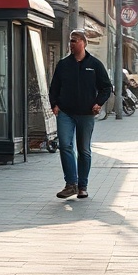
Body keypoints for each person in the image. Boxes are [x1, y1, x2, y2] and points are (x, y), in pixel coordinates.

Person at [48, 28, 112, 200]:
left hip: (86, 114)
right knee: (65, 145)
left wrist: (98, 103)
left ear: (84, 43)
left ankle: (82, 186)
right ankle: (71, 184)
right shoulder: (63, 65)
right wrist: (54, 104)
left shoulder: (95, 64)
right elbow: (54, 87)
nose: (71, 43)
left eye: (75, 40)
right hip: (65, 113)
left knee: (84, 150)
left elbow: (107, 87)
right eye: (70, 40)